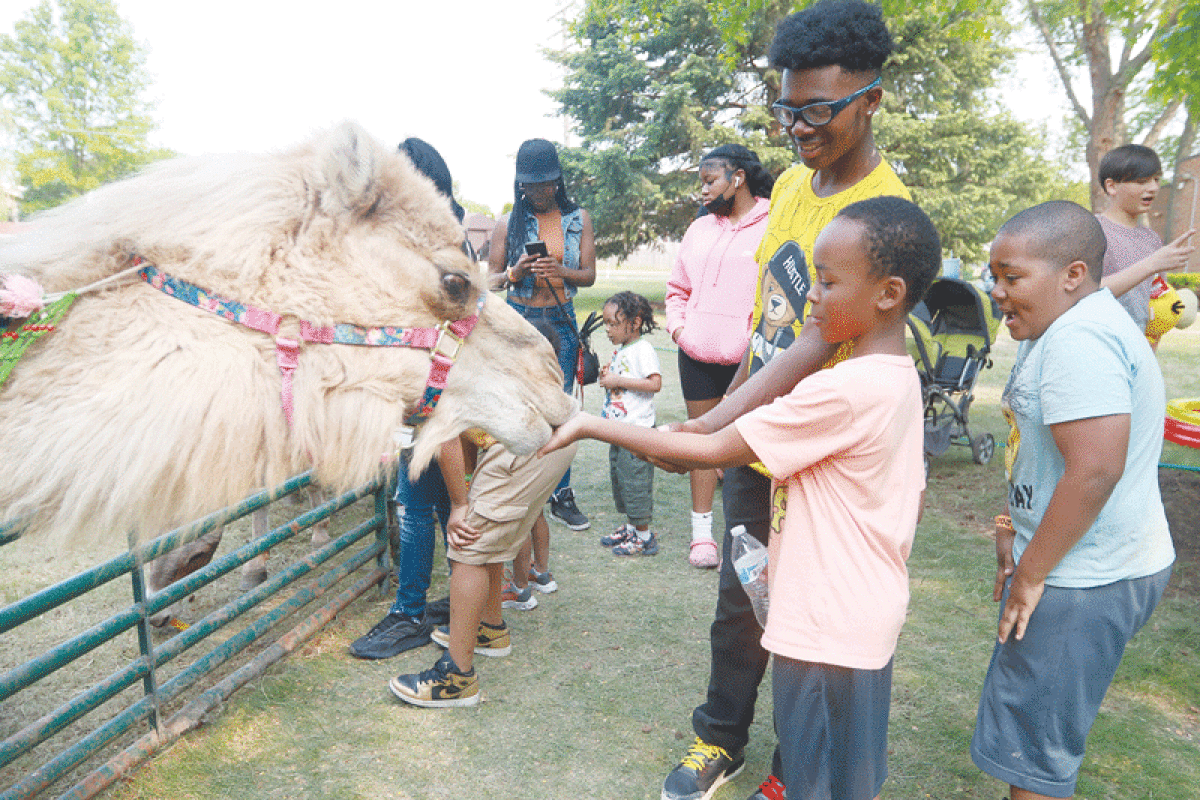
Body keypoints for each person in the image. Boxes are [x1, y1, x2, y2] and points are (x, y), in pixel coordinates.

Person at [543, 195, 938, 800]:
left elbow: (705, 455)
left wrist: (586, 425)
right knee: (835, 778)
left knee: (822, 783)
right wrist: (691, 434)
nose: (810, 297)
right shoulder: (893, 379)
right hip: (851, 621)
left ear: (888, 293)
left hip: (829, 632)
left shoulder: (845, 392)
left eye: (827, 283)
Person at [655, 4, 912, 799]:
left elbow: (811, 346)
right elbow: (771, 326)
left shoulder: (881, 213)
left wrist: (710, 426)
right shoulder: (795, 185)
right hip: (760, 428)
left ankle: (789, 766)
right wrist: (726, 407)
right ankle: (720, 739)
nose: (797, 127)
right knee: (742, 596)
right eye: (785, 108)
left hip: (818, 454)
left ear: (871, 99)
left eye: (818, 110)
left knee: (805, 613)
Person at [971, 201, 1175, 800]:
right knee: (1035, 736)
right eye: (995, 277)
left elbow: (1094, 471)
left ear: (1072, 274)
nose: (997, 292)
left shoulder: (1079, 340)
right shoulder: (1079, 312)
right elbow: (1049, 457)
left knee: (1035, 753)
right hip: (1085, 561)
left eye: (1012, 277)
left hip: (1083, 578)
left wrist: (1031, 576)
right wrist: (1017, 531)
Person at [349, 137, 469, 660]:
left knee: (416, 500)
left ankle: (410, 611)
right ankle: (471, 602)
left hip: (433, 381)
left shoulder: (434, 242)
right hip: (439, 378)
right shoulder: (450, 233)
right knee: (444, 499)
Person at [390, 415, 577, 706]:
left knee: (469, 547)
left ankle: (457, 680)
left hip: (523, 443)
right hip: (550, 435)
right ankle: (490, 629)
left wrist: (460, 504)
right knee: (490, 540)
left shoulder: (421, 373)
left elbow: (446, 429)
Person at [665, 144, 774, 568]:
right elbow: (677, 288)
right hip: (695, 355)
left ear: (738, 177)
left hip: (746, 360)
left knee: (744, 449)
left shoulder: (772, 222)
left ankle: (747, 537)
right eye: (701, 183)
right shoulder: (700, 228)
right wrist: (679, 329)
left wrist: (750, 342)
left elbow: (773, 295)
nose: (704, 191)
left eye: (710, 181)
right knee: (699, 443)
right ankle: (700, 536)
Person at [487, 138, 597, 532]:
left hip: (561, 319)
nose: (537, 192)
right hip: (518, 320)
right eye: (529, 186)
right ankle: (517, 482)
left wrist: (559, 271)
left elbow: (589, 274)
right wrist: (515, 273)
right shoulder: (506, 222)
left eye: (545, 184)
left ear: (558, 181)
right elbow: (490, 280)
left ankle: (560, 493)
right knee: (515, 403)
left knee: (560, 406)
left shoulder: (578, 219)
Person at [1094, 144, 1194, 347]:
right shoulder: (1091, 231)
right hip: (1100, 346)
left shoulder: (1152, 239)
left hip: (1140, 350)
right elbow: (1083, 294)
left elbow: (1156, 303)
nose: (1154, 188)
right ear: (1112, 186)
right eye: (1142, 181)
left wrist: (1150, 354)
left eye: (1156, 179)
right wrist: (1152, 264)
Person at [595, 291, 663, 556]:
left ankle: (644, 537)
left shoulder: (643, 349)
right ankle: (632, 528)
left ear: (634, 323)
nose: (609, 330)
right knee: (621, 479)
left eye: (614, 323)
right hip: (620, 430)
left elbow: (654, 383)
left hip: (637, 433)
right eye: (606, 324)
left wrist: (618, 381)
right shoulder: (624, 349)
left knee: (635, 482)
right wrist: (610, 375)